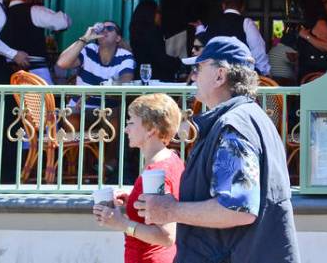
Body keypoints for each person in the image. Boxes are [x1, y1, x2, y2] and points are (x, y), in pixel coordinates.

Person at [133, 36, 300, 263]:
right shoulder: (248, 118)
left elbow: (237, 209)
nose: (193, 75)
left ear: (220, 75)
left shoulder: (234, 126)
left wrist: (170, 210)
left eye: (199, 67)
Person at [93, 93, 184, 263]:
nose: (126, 129)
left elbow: (166, 236)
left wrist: (120, 223)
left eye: (131, 123)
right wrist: (134, 201)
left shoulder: (156, 172)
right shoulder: (171, 159)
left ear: (151, 130)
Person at [0, 0, 71, 83]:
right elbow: (63, 22)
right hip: (36, 74)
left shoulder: (0, 14)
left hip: (7, 74)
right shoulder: (34, 10)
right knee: (44, 99)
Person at [204, 0, 270, 77]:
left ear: (223, 6)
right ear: (242, 7)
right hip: (239, 77)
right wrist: (264, 72)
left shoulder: (211, 25)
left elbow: (205, 49)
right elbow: (258, 51)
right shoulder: (246, 23)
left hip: (215, 75)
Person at [56, 21, 135, 91]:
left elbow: (126, 80)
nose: (105, 30)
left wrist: (93, 93)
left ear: (118, 38)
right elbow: (62, 63)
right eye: (101, 28)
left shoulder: (125, 55)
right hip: (79, 106)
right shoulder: (89, 49)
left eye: (110, 28)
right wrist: (85, 38)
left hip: (107, 107)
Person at [130, 0, 182, 83]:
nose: (160, 15)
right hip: (156, 78)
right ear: (149, 13)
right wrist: (177, 63)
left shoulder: (135, 31)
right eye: (158, 12)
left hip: (140, 77)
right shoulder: (153, 31)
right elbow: (159, 57)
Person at [295, 0, 327, 83]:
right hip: (309, 71)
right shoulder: (313, 23)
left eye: (303, 8)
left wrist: (306, 36)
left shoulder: (320, 23)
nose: (301, 11)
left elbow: (326, 46)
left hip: (315, 74)